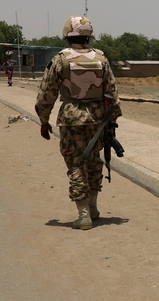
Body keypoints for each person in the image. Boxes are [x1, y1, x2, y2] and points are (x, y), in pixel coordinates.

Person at [35, 16, 121, 230]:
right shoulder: (101, 59)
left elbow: (46, 93)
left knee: (75, 164)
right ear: (89, 35)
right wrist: (112, 120)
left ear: (67, 35)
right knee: (93, 161)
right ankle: (92, 206)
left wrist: (44, 120)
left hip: (71, 118)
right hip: (97, 119)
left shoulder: (61, 59)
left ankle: (83, 214)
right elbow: (112, 93)